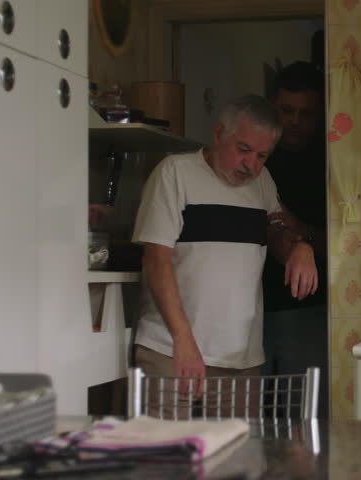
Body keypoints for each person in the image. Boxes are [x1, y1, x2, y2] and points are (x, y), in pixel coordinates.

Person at [131, 94, 318, 417]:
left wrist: (300, 248)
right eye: (243, 150)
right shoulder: (175, 173)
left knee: (236, 462)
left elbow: (275, 231)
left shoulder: (262, 182)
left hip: (240, 357)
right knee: (165, 460)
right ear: (219, 134)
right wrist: (183, 339)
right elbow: (156, 259)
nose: (251, 165)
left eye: (262, 155)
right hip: (171, 349)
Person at [261, 61, 329, 417]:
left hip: (309, 307)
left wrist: (301, 233)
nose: (295, 121)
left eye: (307, 113)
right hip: (250, 305)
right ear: (273, 106)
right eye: (287, 111)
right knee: (247, 418)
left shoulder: (331, 162)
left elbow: (343, 242)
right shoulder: (256, 156)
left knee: (303, 418)